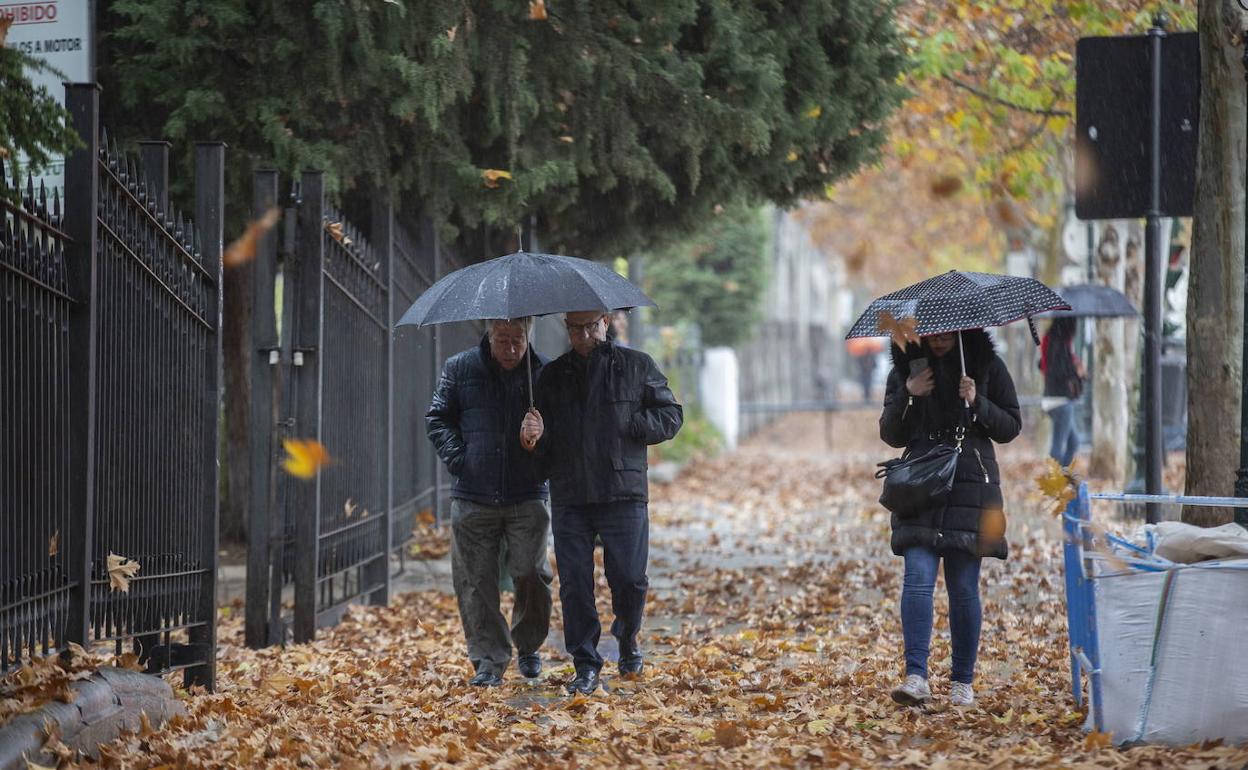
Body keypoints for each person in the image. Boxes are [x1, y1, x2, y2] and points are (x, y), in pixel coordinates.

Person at [519, 309, 683, 694]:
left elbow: (671, 414)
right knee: (575, 584)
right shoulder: (552, 376)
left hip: (622, 489)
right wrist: (533, 439)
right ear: (567, 328)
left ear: (606, 323)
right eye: (575, 328)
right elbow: (543, 446)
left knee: (629, 577)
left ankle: (627, 637)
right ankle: (585, 663)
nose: (584, 336)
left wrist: (634, 425)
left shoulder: (636, 366)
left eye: (590, 327)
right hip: (571, 493)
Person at [879, 329, 1021, 708]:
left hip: (969, 488)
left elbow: (1011, 426)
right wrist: (910, 393)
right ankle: (916, 676)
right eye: (932, 334)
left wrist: (978, 401)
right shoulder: (907, 369)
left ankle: (962, 681)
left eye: (946, 334)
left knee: (963, 588)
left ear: (961, 329)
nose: (939, 340)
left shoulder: (985, 366)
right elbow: (890, 433)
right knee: (917, 580)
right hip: (921, 487)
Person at [426, 318, 553, 687]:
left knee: (531, 573)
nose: (511, 349)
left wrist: (541, 437)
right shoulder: (460, 368)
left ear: (529, 335)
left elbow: (564, 430)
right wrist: (460, 459)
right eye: (502, 339)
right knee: (475, 582)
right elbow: (438, 418)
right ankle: (488, 661)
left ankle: (528, 644)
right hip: (473, 494)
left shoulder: (544, 373)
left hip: (527, 492)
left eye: (518, 340)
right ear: (489, 333)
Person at [1039, 318, 1085, 468]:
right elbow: (1058, 370)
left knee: (1073, 442)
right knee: (1057, 446)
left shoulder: (1052, 339)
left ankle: (1062, 476)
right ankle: (1055, 478)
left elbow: (1042, 364)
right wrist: (1076, 371)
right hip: (1060, 400)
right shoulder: (1059, 342)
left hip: (1053, 398)